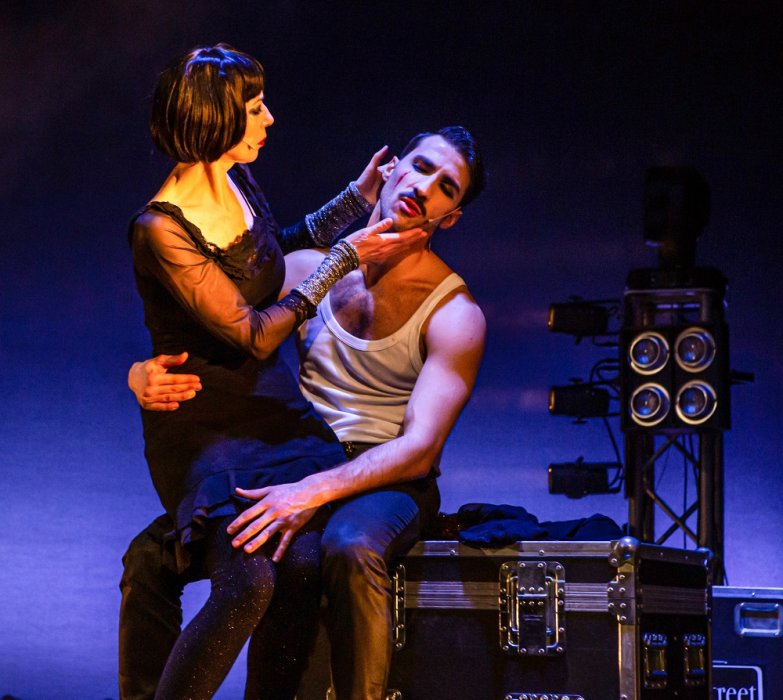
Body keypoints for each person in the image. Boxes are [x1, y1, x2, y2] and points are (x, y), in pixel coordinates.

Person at [125, 126, 486, 699]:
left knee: (345, 548)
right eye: (421, 167)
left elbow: (419, 451)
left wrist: (310, 491)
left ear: (452, 216)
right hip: (291, 459)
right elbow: (220, 330)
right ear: (391, 169)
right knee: (152, 555)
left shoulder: (456, 314)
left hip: (384, 476)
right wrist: (140, 373)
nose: (425, 188)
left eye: (447, 187)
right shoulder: (307, 270)